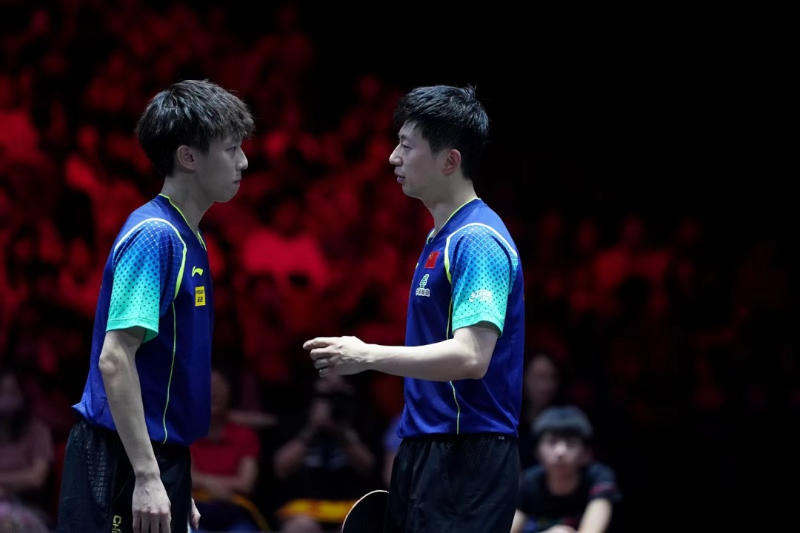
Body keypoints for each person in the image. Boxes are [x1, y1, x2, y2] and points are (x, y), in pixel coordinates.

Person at [303, 84, 526, 533]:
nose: (393, 157)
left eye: (407, 146)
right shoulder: (440, 238)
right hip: (427, 445)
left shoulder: (477, 240)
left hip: (466, 455)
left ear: (450, 160)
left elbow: (471, 357)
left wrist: (366, 355)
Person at [56, 79, 255, 533]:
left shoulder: (188, 237)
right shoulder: (155, 237)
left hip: (154, 455)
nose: (243, 161)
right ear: (188, 157)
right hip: (119, 460)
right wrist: (147, 476)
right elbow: (115, 357)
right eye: (231, 149)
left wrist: (171, 480)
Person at [510, 405, 623, 533]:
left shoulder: (599, 477)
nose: (560, 451)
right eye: (552, 442)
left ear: (586, 453)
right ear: (537, 451)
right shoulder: (530, 481)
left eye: (571, 443)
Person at [189, 369, 267, 533]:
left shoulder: (246, 435)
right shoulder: (186, 434)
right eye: (208, 386)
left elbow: (246, 483)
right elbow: (187, 477)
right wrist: (212, 484)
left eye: (218, 386)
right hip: (193, 512)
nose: (214, 392)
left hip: (235, 512)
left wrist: (204, 482)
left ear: (229, 392)